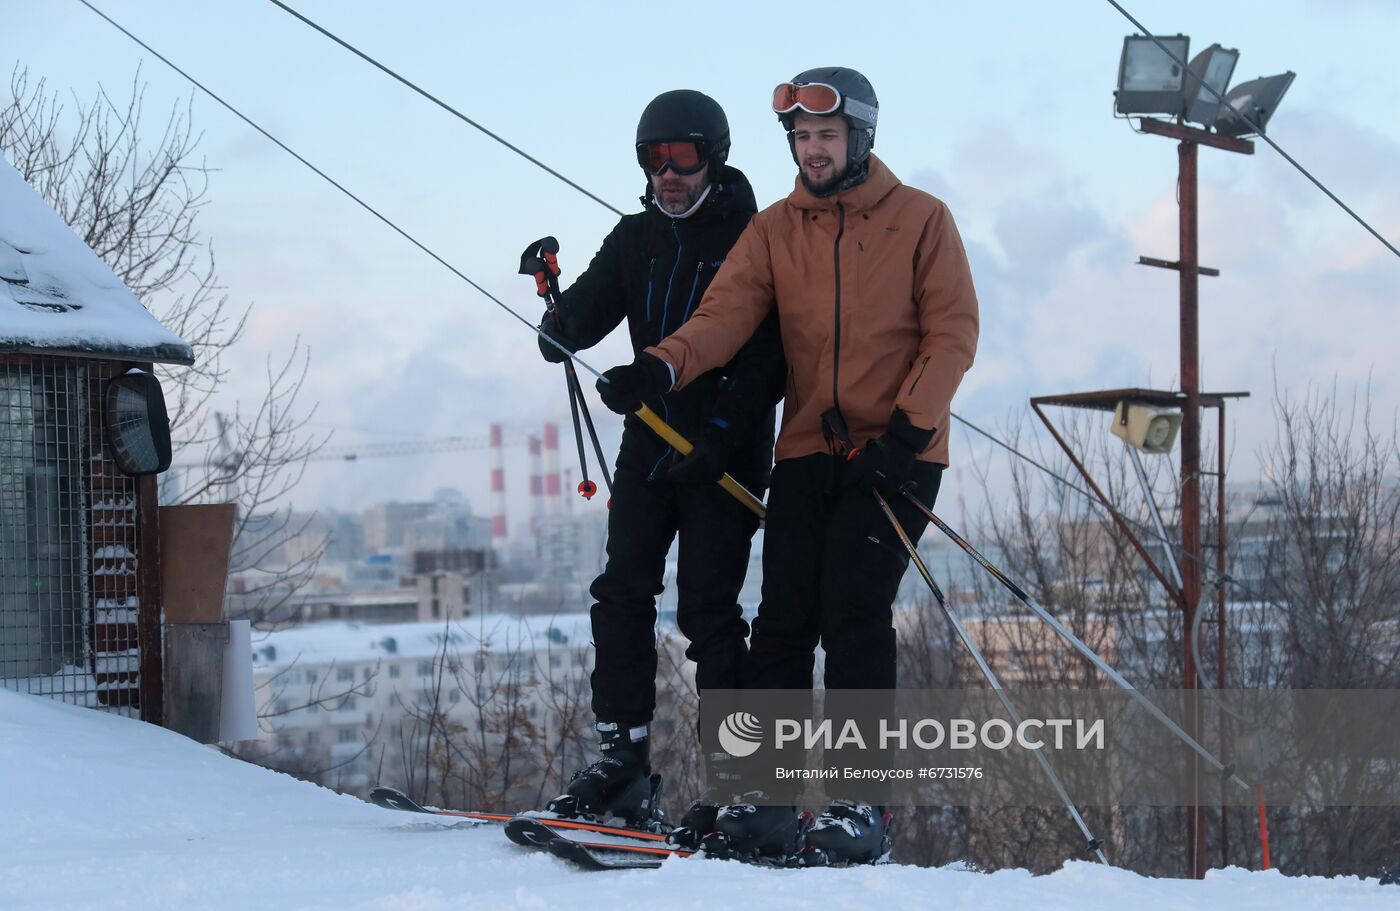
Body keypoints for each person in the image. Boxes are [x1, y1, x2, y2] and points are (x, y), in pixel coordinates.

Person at [596, 67, 979, 862]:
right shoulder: (775, 229)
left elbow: (952, 335)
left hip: (899, 452)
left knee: (853, 610)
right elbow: (724, 317)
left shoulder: (921, 221)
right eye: (802, 138)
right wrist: (660, 369)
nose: (812, 150)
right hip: (808, 446)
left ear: (860, 138)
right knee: (778, 627)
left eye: (826, 136)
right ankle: (756, 798)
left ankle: (857, 806)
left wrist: (907, 434)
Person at [533, 89, 785, 829]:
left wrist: (722, 427)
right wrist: (555, 319)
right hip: (650, 434)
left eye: (683, 156)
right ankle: (623, 761)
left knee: (709, 610)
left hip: (724, 446)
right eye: (653, 158)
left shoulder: (753, 236)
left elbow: (771, 353)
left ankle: (740, 786)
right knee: (620, 592)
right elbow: (579, 319)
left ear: (716, 157)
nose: (667, 173)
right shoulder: (637, 236)